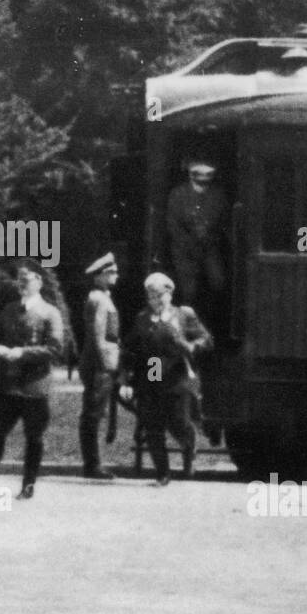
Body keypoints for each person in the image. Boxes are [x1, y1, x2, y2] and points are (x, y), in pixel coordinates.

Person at [0, 259, 66, 500]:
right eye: (19, 280)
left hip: (34, 386)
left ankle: (28, 484)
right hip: (7, 385)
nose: (22, 284)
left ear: (39, 282)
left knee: (34, 437)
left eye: (27, 280)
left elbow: (54, 349)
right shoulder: (9, 310)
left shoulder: (50, 313)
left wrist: (23, 353)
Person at [119, 272, 213, 487]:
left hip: (176, 376)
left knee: (178, 421)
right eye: (151, 297)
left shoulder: (183, 315)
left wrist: (190, 346)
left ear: (169, 294)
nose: (155, 301)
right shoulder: (142, 319)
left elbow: (206, 339)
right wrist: (126, 379)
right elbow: (130, 350)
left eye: (159, 296)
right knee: (153, 426)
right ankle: (163, 473)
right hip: (151, 375)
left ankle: (189, 446)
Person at [78, 252, 121, 480]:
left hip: (102, 364)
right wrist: (107, 365)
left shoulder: (103, 297)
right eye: (111, 272)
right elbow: (98, 336)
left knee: (95, 413)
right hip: (99, 365)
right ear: (100, 276)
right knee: (93, 414)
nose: (116, 275)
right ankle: (92, 464)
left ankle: (92, 463)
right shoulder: (98, 299)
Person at [165, 157, 228, 308]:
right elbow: (173, 226)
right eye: (199, 176)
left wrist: (211, 240)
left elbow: (223, 223)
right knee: (188, 291)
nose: (204, 179)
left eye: (208, 176)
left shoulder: (218, 195)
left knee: (218, 283)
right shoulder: (178, 194)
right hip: (184, 249)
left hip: (210, 247)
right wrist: (189, 245)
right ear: (191, 175)